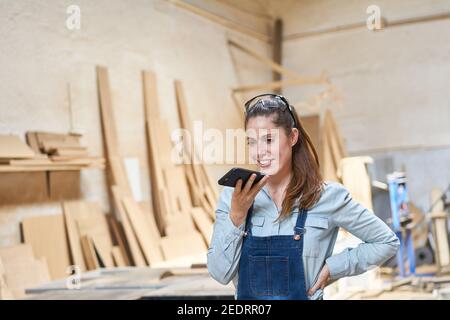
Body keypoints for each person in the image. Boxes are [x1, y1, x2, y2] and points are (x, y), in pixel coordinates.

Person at [207, 93, 400, 300]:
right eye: (251, 142)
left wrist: (333, 268)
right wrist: (236, 217)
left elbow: (386, 242)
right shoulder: (234, 197)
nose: (259, 152)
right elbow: (220, 274)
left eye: (269, 140)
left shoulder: (327, 197)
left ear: (292, 137)